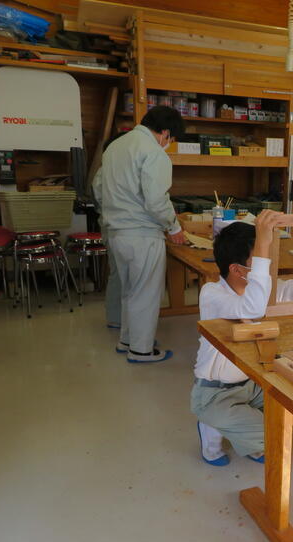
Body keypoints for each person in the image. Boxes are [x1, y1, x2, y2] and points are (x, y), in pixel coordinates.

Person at [191, 208, 293, 466]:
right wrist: (263, 241)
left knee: (286, 414)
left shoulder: (264, 290)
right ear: (237, 270)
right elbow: (252, 308)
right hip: (215, 394)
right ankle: (210, 427)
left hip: (252, 384)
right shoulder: (212, 294)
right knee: (272, 435)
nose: (268, 264)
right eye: (261, 258)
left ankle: (244, 434)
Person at [99, 106, 187, 363]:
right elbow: (156, 200)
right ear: (165, 133)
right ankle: (141, 350)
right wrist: (174, 227)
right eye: (171, 139)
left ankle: (128, 340)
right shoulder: (153, 152)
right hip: (142, 234)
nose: (169, 144)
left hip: (117, 232)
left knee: (129, 292)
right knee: (146, 294)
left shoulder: (116, 147)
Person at [91, 132, 126, 330]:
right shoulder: (106, 173)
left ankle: (118, 317)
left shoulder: (107, 171)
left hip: (114, 226)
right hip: (114, 227)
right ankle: (116, 318)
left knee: (119, 273)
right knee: (119, 273)